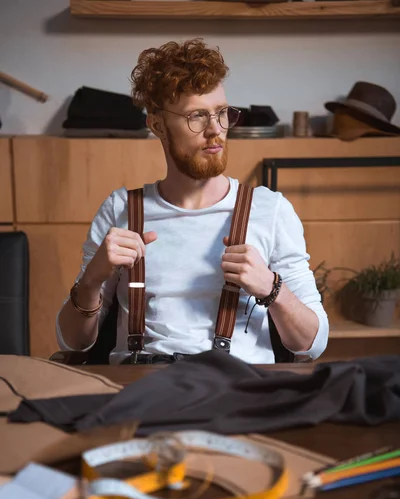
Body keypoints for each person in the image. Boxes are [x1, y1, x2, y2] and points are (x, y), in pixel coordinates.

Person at [57, 38, 329, 365]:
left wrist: (271, 289)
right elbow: (74, 343)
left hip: (239, 390)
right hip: (141, 386)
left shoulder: (270, 210)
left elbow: (311, 345)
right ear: (158, 125)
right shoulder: (121, 209)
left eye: (222, 113)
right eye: (197, 116)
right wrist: (92, 280)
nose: (216, 130)